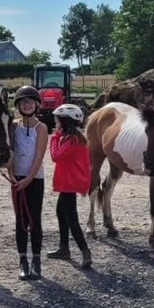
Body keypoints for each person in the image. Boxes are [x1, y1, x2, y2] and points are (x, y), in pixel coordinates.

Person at [8, 85, 48, 280]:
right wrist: (11, 174)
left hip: (35, 178)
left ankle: (36, 261)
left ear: (37, 105)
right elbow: (9, 153)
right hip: (17, 179)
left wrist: (29, 178)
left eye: (30, 101)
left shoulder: (41, 128)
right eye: (23, 102)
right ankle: (22, 260)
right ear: (18, 105)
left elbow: (39, 156)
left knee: (35, 220)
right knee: (20, 220)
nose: (27, 105)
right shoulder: (13, 127)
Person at [46, 103, 92, 269]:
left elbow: (55, 156)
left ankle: (85, 252)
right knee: (61, 212)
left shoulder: (72, 140)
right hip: (69, 182)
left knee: (72, 219)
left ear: (65, 121)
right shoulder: (74, 137)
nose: (56, 123)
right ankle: (64, 248)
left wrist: (54, 137)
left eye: (58, 120)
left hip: (69, 183)